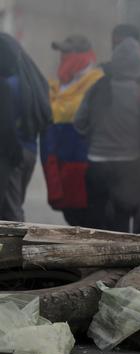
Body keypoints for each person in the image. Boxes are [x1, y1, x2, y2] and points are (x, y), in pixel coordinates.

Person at [74, 37, 140, 233]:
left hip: (96, 165)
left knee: (97, 223)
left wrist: (95, 139)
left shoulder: (96, 88)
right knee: (121, 222)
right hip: (129, 167)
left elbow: (79, 122)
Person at [42, 35, 103, 226]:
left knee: (87, 218)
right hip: (59, 161)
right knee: (70, 214)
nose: (63, 57)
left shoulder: (96, 82)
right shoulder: (58, 85)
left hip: (82, 162)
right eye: (62, 53)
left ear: (82, 55)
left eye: (67, 53)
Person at [0, 33, 52, 222]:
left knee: (10, 213)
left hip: (11, 154)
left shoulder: (8, 84)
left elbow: (6, 126)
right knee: (15, 206)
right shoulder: (32, 81)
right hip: (29, 150)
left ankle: (14, 251)